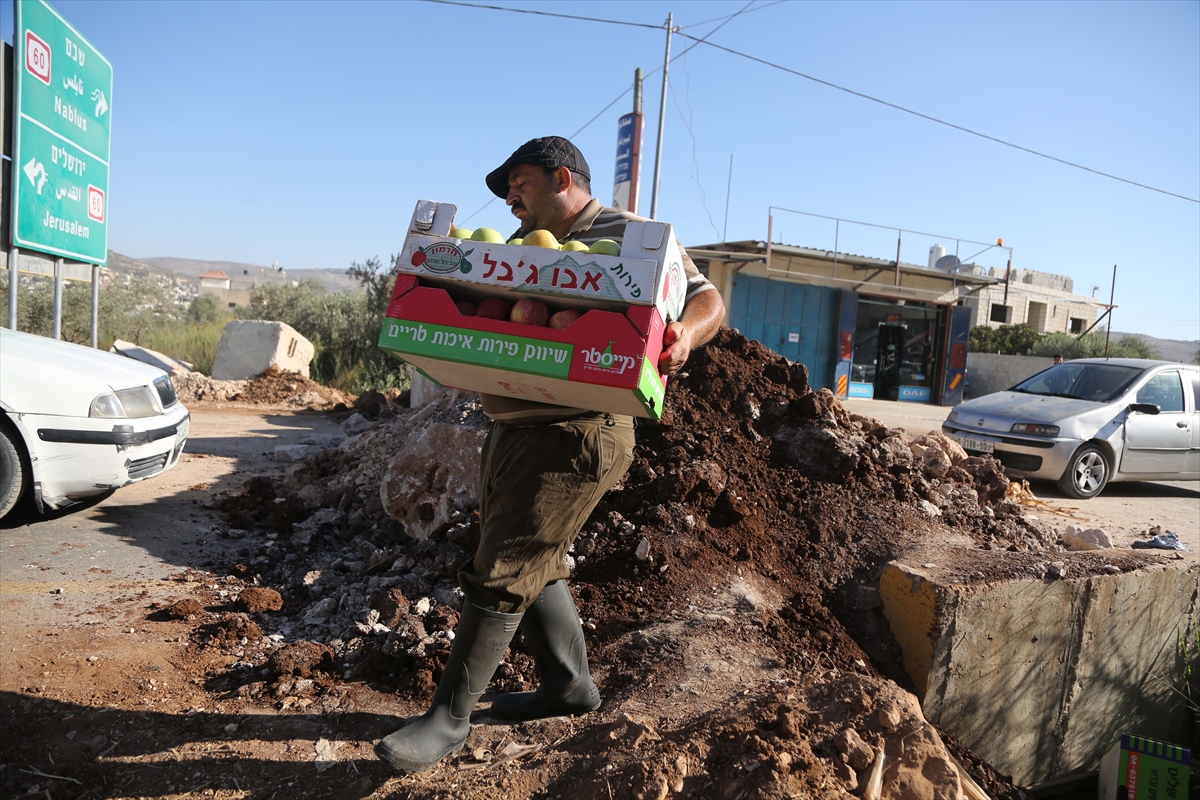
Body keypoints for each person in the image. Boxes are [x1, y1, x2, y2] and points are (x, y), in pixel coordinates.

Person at [376, 136, 725, 773]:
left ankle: (449, 719)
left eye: (521, 182)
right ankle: (568, 686)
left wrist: (686, 337)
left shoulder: (631, 236)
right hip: (512, 418)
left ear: (563, 177)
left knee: (506, 563)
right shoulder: (509, 253)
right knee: (528, 551)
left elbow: (709, 299)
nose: (510, 198)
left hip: (578, 429)